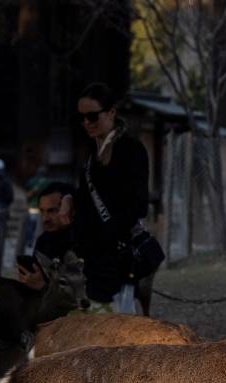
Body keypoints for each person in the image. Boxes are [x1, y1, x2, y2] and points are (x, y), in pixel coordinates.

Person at [72, 82, 150, 312]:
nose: (86, 122)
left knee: (115, 318)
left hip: (115, 253)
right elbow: (85, 198)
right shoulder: (91, 152)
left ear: (111, 113)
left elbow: (139, 204)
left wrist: (108, 235)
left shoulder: (131, 149)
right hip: (89, 255)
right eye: (82, 117)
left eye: (92, 116)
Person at [17, 182, 76, 290]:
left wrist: (43, 287)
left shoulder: (83, 243)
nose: (45, 219)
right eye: (42, 211)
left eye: (52, 211)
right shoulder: (43, 240)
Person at [18, 166, 49, 255]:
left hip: (32, 206)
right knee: (40, 228)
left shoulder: (32, 181)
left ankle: (29, 241)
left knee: (31, 225)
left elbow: (26, 191)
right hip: (43, 208)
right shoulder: (47, 182)